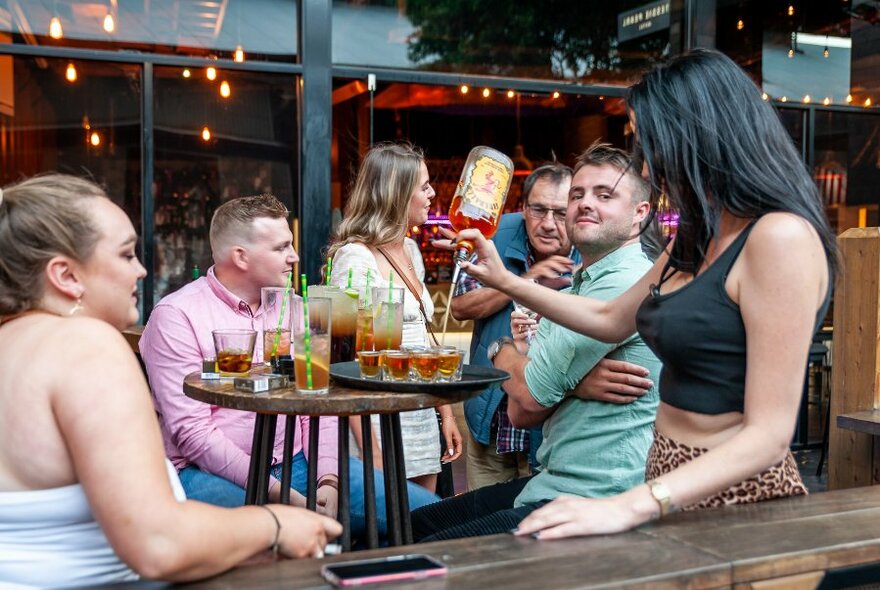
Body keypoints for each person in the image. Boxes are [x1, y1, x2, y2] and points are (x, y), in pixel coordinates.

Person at [447, 49, 836, 539]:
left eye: (650, 143)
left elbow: (769, 436)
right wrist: (505, 279)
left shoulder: (779, 237)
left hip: (733, 506)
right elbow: (610, 316)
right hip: (665, 486)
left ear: (698, 135)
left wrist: (629, 505)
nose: (647, 166)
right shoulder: (697, 236)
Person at [0, 175, 340, 587]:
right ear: (66, 276)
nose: (142, 271)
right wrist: (275, 522)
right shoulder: (86, 345)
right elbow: (157, 545)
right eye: (126, 255)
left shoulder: (14, 341)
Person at [140, 193, 438, 541]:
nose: (294, 257)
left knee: (427, 515)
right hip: (204, 472)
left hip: (300, 464)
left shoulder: (296, 308)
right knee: (266, 541)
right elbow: (192, 435)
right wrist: (277, 494)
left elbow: (319, 403)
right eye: (282, 247)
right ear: (241, 256)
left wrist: (328, 479)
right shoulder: (177, 316)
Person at [412, 143, 661, 541]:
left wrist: (502, 350)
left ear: (639, 215)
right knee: (415, 525)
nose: (583, 205)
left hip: (594, 499)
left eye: (604, 195)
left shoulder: (619, 280)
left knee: (430, 546)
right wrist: (562, 381)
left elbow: (527, 397)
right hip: (553, 482)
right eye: (577, 195)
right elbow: (522, 411)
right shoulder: (580, 282)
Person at [326, 142, 464, 493]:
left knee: (422, 525)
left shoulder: (412, 250)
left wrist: (445, 414)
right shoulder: (355, 258)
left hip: (419, 418)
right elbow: (343, 365)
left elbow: (426, 341)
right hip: (379, 426)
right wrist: (372, 452)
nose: (432, 194)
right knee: (387, 530)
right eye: (423, 186)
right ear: (397, 194)